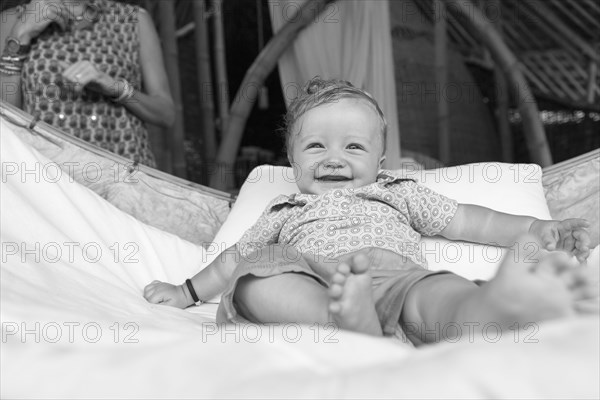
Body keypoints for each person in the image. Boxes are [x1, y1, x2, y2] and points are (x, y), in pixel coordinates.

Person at [144, 77, 592, 344]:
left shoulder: (397, 191)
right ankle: (340, 317)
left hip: (390, 274)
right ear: (293, 162)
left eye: (353, 147)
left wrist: (539, 227)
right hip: (311, 280)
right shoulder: (286, 207)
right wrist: (185, 291)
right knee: (258, 274)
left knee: (432, 293)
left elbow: (475, 220)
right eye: (316, 146)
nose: (333, 158)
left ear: (380, 163)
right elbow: (231, 259)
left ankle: (487, 309)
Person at [0, 0, 175, 167]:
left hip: (124, 177)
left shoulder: (133, 18)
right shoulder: (12, 19)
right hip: (48, 177)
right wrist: (21, 34)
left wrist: (114, 87)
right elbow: (6, 121)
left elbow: (165, 113)